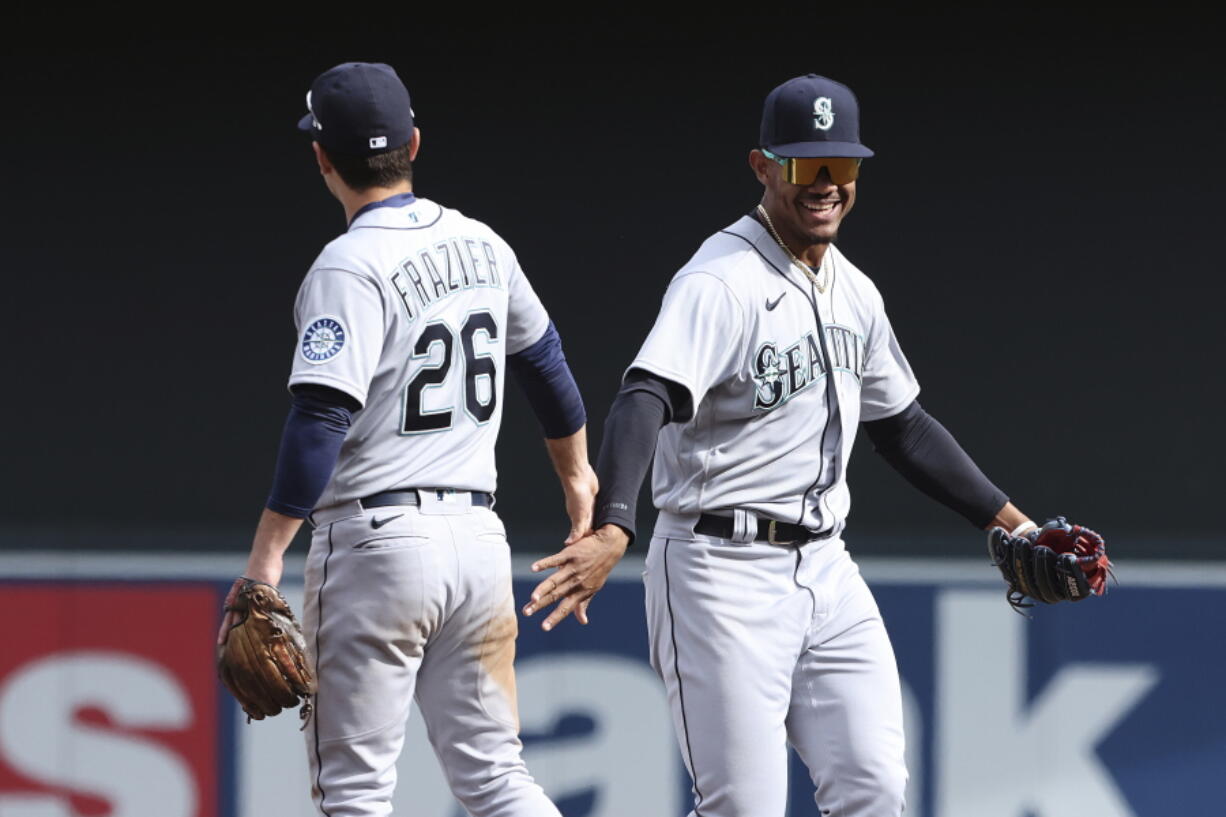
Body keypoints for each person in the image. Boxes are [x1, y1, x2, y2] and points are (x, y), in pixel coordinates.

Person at [523, 74, 1093, 817]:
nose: (825, 185)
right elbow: (644, 395)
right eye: (804, 166)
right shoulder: (719, 281)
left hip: (826, 565)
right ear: (762, 167)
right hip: (717, 570)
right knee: (743, 808)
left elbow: (903, 426)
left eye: (842, 167)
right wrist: (614, 526)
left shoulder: (854, 290)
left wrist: (1013, 524)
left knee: (875, 787)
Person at [217, 62, 594, 817]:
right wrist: (578, 478)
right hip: (479, 541)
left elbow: (321, 417)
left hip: (378, 544)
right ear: (414, 143)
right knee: (495, 775)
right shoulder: (484, 243)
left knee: (354, 794)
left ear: (322, 158)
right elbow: (546, 364)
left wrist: (263, 563)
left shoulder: (349, 264)